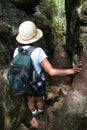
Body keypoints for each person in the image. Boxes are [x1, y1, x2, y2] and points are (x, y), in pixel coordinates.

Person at [14, 21, 82, 126]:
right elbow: (51, 71)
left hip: (24, 82)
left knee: (30, 100)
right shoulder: (38, 51)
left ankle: (34, 114)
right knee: (39, 99)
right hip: (37, 83)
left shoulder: (16, 51)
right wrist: (71, 70)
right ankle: (40, 113)